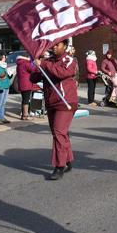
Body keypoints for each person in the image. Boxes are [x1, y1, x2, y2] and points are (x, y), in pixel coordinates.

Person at [31, 39, 78, 180]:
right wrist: (37, 66)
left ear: (65, 45)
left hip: (66, 101)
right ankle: (67, 159)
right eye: (53, 45)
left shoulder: (70, 60)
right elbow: (33, 78)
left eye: (57, 44)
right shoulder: (48, 60)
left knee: (59, 131)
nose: (54, 47)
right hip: (51, 102)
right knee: (59, 133)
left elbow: (62, 73)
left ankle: (59, 166)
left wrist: (44, 64)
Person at [13, 55, 39, 120]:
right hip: (27, 84)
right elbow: (33, 69)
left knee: (24, 99)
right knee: (26, 100)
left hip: (21, 84)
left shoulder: (19, 64)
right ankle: (25, 115)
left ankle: (23, 115)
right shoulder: (26, 63)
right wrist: (36, 64)